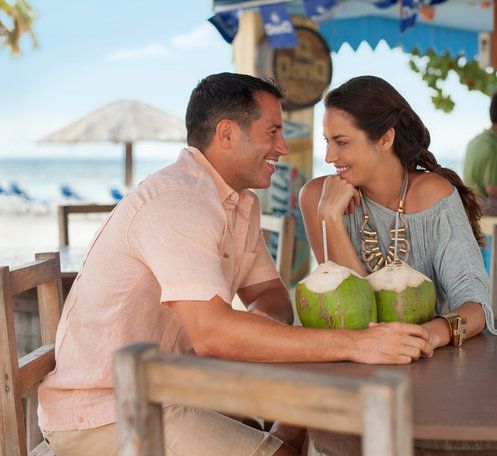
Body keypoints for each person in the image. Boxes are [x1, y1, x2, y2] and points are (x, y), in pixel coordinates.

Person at [37, 73, 433, 456]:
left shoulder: (237, 202)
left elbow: (270, 296)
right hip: (109, 412)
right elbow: (213, 335)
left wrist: (247, 332)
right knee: (296, 437)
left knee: (299, 426)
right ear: (226, 134)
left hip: (175, 388)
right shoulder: (179, 202)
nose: (282, 147)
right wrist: (357, 344)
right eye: (272, 132)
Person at [299, 75, 489, 352]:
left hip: (428, 362)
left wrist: (427, 336)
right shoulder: (318, 197)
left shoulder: (433, 194)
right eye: (327, 141)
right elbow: (353, 315)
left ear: (386, 138)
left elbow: (476, 306)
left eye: (341, 142)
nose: (329, 157)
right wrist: (330, 218)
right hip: (349, 365)